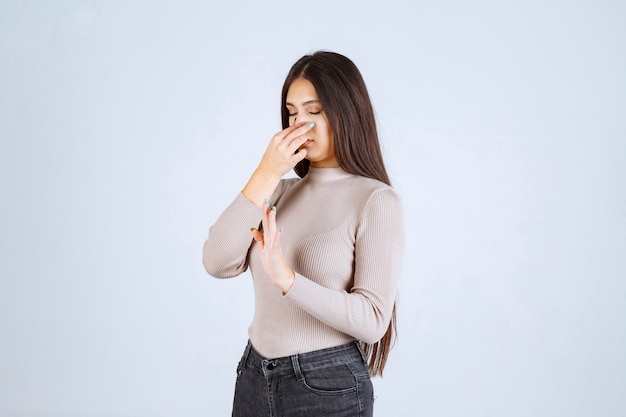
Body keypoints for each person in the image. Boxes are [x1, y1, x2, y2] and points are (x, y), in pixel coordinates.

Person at [203, 51, 404, 417]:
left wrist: (289, 280)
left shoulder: (374, 199)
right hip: (254, 375)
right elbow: (217, 262)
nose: (300, 124)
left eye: (314, 111)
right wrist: (266, 171)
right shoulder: (278, 192)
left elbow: (373, 320)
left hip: (326, 386)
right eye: (292, 113)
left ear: (348, 112)